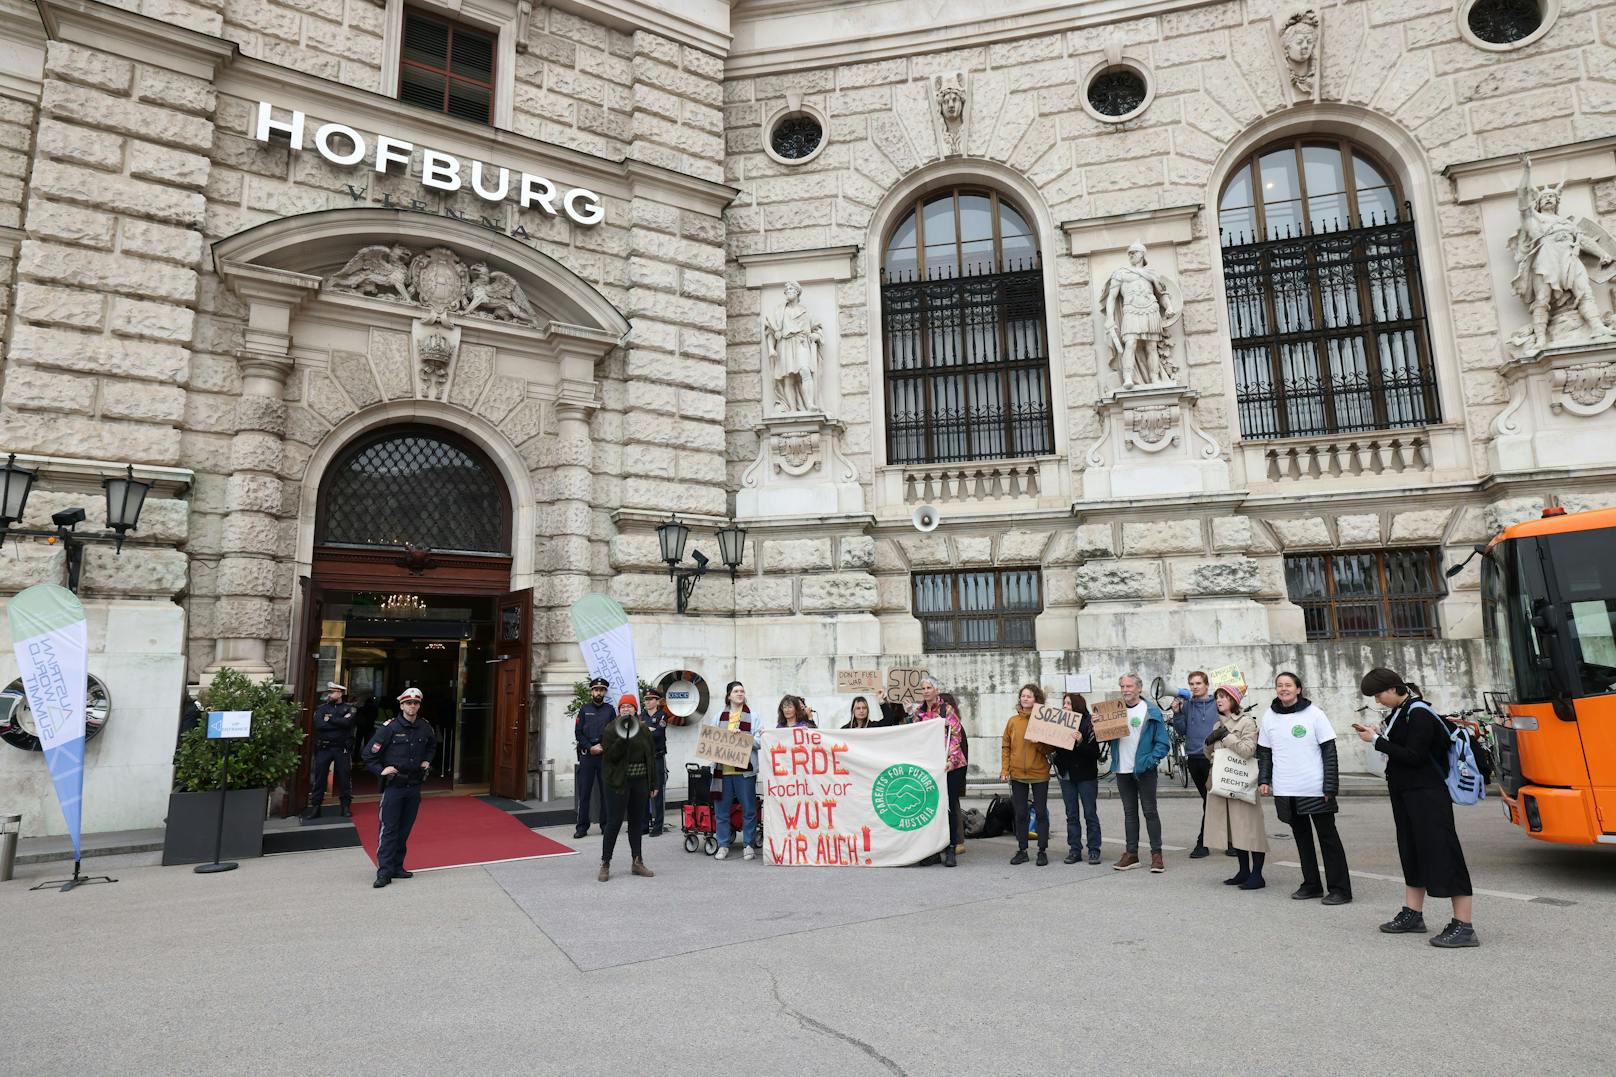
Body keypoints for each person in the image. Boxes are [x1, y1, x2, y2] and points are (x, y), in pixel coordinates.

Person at [1355, 668, 1478, 947]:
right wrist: (1379, 736)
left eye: (1378, 695)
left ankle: (1464, 925)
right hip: (1407, 794)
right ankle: (1413, 913)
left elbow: (1414, 755)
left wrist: (1376, 741)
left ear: (1392, 688)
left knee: (1444, 852)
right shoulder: (1402, 711)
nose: (1377, 701)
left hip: (1428, 795)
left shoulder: (1419, 712)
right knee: (1411, 850)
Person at [1257, 671, 1351, 905]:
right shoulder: (1269, 716)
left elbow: (1329, 751)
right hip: (1286, 788)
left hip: (1315, 788)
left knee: (1328, 839)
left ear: (1299, 689)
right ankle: (1311, 884)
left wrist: (1330, 785)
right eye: (1279, 685)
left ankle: (1340, 889)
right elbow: (1265, 753)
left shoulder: (1315, 714)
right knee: (1302, 838)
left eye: (1288, 685)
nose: (1283, 689)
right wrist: (1264, 780)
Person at [362, 687, 437, 888]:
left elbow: (432, 745)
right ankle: (384, 872)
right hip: (394, 786)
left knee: (404, 829)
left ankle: (397, 866)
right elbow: (369, 754)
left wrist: (426, 761)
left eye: (416, 703)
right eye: (408, 703)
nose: (412, 706)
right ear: (401, 705)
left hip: (414, 786)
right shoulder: (389, 728)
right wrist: (381, 770)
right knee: (389, 829)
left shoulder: (424, 727)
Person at [1202, 684, 1268, 890]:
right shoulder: (1216, 725)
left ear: (1234, 700)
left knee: (1251, 828)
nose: (1219, 700)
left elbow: (1248, 750)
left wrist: (1226, 736)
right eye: (1217, 697)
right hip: (1223, 781)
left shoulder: (1247, 722)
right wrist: (1209, 742)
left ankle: (1257, 874)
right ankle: (1243, 871)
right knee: (1235, 829)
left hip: (1242, 782)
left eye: (1223, 697)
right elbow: (1209, 755)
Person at [1109, 674, 1170, 873]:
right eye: (1122, 686)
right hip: (1122, 769)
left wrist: (1150, 761)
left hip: (1144, 770)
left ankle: (1156, 855)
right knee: (1129, 813)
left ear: (1138, 689)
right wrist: (1099, 725)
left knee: (1150, 811)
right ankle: (1131, 854)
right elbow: (1104, 738)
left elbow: (1163, 743)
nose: (1125, 690)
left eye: (1129, 686)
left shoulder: (1151, 711)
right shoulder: (1114, 711)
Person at [598, 694, 656, 882]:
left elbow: (651, 758)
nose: (626, 710)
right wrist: (623, 738)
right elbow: (610, 756)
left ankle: (637, 861)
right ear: (619, 710)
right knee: (614, 822)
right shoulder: (610, 729)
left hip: (639, 782)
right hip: (617, 782)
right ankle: (605, 863)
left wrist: (653, 783)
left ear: (635, 710)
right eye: (623, 707)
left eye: (630, 707)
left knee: (636, 822)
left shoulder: (644, 730)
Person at [1001, 684, 1057, 866]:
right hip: (1017, 774)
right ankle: (1022, 849)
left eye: (1029, 696)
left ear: (1037, 700)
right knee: (1020, 813)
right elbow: (1006, 746)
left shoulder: (1043, 721)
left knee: (1041, 812)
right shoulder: (1012, 721)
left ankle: (1042, 850)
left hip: (1039, 772)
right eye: (1023, 696)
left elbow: (1051, 748)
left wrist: (1039, 742)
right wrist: (1005, 768)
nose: (1025, 699)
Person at [913, 677, 966, 867]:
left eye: (929, 688)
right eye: (923, 688)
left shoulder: (946, 710)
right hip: (931, 766)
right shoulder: (918, 713)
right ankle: (933, 850)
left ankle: (951, 847)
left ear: (936, 690)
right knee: (931, 807)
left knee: (949, 806)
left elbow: (956, 735)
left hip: (951, 766)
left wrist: (951, 760)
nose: (926, 691)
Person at [710, 681, 760, 861]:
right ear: (729, 695)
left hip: (744, 772)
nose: (740, 693)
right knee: (722, 811)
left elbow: (760, 742)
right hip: (722, 771)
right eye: (736, 691)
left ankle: (748, 844)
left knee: (749, 810)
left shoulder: (753, 716)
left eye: (742, 691)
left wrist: (746, 738)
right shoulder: (718, 717)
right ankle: (723, 844)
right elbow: (711, 742)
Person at [1170, 671, 1219, 857]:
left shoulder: (1217, 703)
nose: (1194, 686)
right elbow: (1182, 731)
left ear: (1207, 685)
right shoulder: (1187, 705)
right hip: (1194, 758)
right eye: (1191, 683)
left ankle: (1203, 843)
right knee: (1211, 800)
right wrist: (1177, 714)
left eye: (1198, 683)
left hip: (1213, 758)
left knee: (1211, 801)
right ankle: (1230, 841)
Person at [1053, 691, 1102, 865]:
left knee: (1090, 813)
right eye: (1064, 703)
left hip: (1086, 775)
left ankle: (1094, 849)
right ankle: (1075, 849)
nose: (1065, 707)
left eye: (1069, 704)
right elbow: (1057, 751)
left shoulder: (1090, 724)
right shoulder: (1061, 722)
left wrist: (1081, 742)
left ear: (1078, 705)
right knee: (1071, 814)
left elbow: (1094, 753)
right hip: (1067, 775)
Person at [304, 681, 357, 820]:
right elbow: (319, 725)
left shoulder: (349, 709)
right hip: (324, 748)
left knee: (345, 778)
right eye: (329, 692)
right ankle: (316, 807)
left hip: (341, 748)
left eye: (333, 692)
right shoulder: (321, 709)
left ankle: (345, 807)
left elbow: (347, 723)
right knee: (319, 777)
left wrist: (331, 719)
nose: (330, 694)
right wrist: (337, 722)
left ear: (340, 693)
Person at [573, 676, 615, 839]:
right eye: (596, 689)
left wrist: (603, 746)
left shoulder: (610, 710)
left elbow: (613, 731)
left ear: (605, 692)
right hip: (588, 756)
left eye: (602, 690)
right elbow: (578, 733)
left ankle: (605, 826)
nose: (599, 692)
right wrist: (590, 747)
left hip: (604, 755)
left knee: (606, 792)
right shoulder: (584, 709)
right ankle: (582, 827)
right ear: (592, 692)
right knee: (584, 793)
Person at [641, 686, 669, 836]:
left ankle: (658, 826)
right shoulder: (641, 716)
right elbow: (638, 733)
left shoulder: (662, 715)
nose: (648, 702)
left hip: (657, 757)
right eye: (646, 699)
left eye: (651, 699)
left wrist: (648, 730)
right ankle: (644, 825)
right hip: (644, 758)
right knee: (644, 791)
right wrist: (649, 730)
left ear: (657, 701)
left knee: (657, 792)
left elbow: (658, 733)